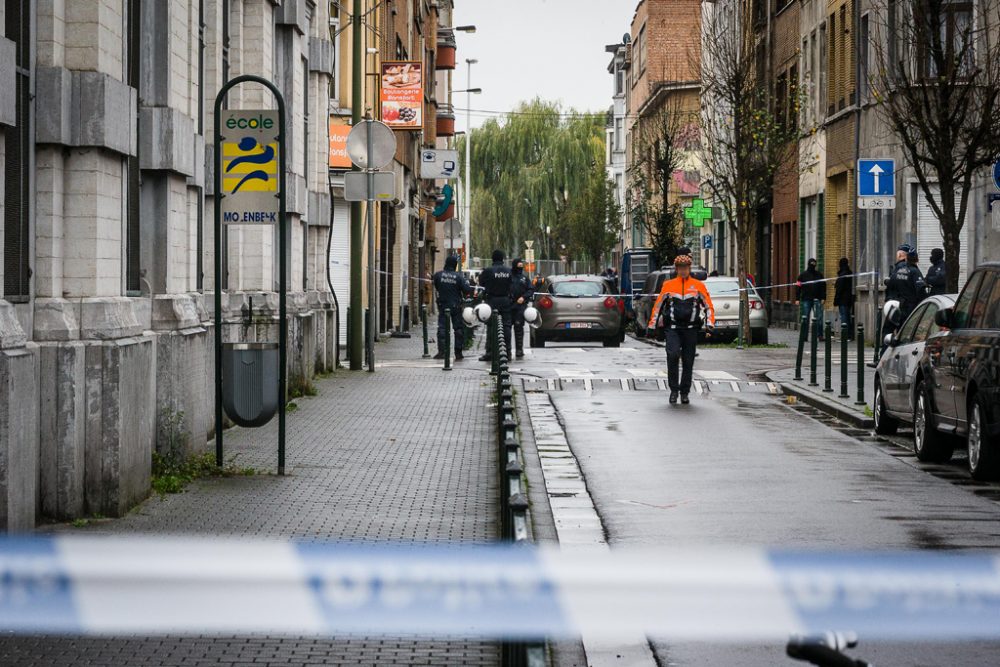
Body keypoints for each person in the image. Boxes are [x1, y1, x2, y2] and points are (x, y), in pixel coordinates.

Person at [647, 253, 715, 405]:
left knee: (688, 361)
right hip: (673, 328)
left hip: (691, 329)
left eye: (685, 268)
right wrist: (652, 326)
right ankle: (674, 390)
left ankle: (685, 392)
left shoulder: (698, 286)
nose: (683, 271)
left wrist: (710, 324)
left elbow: (708, 306)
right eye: (680, 268)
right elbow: (658, 306)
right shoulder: (669, 285)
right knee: (672, 355)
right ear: (676, 269)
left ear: (689, 269)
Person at [432, 255, 473, 360]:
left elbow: (436, 285)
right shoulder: (458, 277)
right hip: (455, 306)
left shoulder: (438, 275)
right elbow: (467, 290)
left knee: (442, 328)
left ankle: (442, 352)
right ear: (455, 265)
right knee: (458, 329)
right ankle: (458, 352)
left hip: (442, 305)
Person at [478, 249, 514, 361]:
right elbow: (513, 285)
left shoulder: (488, 271)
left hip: (492, 300)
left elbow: (481, 283)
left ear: (492, 259)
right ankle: (507, 352)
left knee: (491, 326)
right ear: (502, 259)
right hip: (505, 300)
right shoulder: (508, 271)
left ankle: (490, 352)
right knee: (506, 326)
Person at [509, 258, 535, 359]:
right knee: (506, 329)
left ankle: (519, 350)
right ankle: (507, 350)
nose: (520, 268)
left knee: (519, 327)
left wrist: (523, 297)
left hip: (520, 306)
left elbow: (531, 289)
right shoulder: (509, 277)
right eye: (518, 266)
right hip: (509, 305)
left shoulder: (524, 278)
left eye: (521, 266)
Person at [795, 258, 825, 341]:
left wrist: (823, 297)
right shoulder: (802, 275)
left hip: (817, 299)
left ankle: (820, 335)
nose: (813, 265)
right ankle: (804, 336)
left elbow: (823, 286)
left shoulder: (819, 275)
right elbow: (798, 287)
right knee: (805, 318)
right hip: (806, 299)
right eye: (811, 264)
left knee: (819, 317)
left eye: (814, 264)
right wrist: (797, 298)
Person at [833, 257, 855, 339]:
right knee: (847, 316)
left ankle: (845, 335)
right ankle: (848, 334)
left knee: (844, 317)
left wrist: (836, 300)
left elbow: (839, 289)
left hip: (843, 299)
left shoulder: (843, 274)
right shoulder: (849, 273)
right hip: (849, 299)